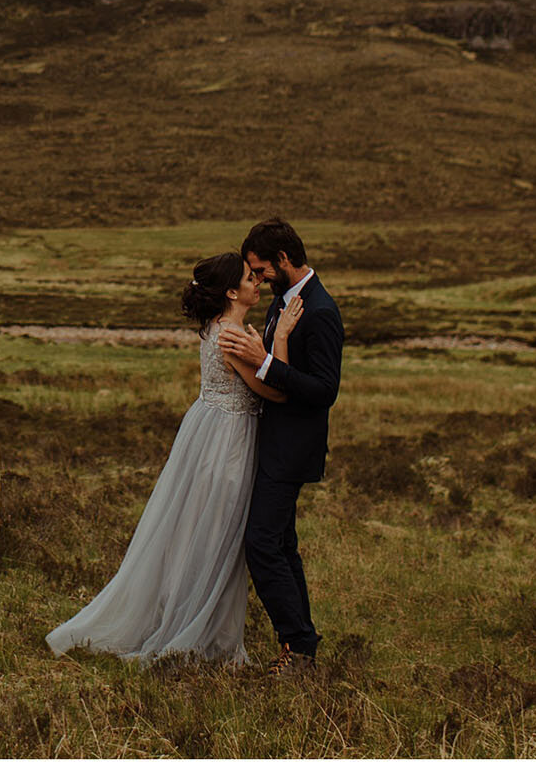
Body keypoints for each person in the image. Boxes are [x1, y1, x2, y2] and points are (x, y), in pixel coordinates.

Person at [46, 250, 304, 665]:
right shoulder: (233, 335)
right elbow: (275, 391)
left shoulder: (218, 325)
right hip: (228, 442)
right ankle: (197, 633)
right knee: (218, 536)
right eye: (248, 278)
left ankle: (199, 625)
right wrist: (282, 339)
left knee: (199, 532)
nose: (257, 281)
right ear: (230, 292)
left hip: (209, 432)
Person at [218, 218, 343, 675]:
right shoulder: (283, 302)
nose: (258, 277)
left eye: (261, 268)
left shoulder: (322, 311)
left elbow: (325, 390)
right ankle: (303, 645)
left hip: (292, 449)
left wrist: (265, 360)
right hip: (270, 443)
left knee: (263, 544)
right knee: (282, 544)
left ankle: (298, 647)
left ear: (284, 260)